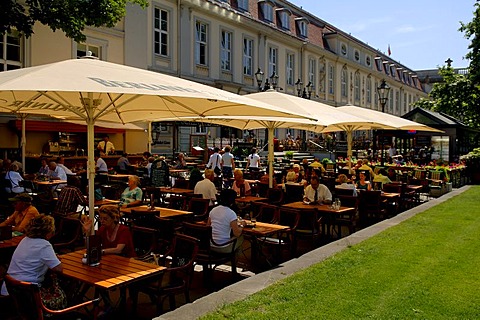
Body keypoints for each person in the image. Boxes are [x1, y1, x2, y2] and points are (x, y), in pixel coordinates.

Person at [0, 215, 64, 309]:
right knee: (62, 292)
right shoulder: (44, 245)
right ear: (48, 232)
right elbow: (59, 269)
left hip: (9, 289)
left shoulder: (25, 240)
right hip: (26, 296)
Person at [206, 189, 245, 254]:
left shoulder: (213, 210)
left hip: (211, 245)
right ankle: (234, 260)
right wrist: (242, 225)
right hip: (223, 246)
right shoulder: (231, 213)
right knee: (240, 238)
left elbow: (207, 226)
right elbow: (237, 233)